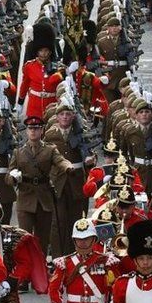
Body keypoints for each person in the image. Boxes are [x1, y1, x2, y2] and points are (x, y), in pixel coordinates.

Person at [7, 116, 77, 256]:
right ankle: (26, 269)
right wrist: (13, 177)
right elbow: (8, 177)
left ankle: (41, 267)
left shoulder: (50, 150)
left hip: (44, 199)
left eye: (37, 128)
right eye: (30, 129)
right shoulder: (18, 152)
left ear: (42, 130)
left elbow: (60, 161)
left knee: (42, 239)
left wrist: (68, 167)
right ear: (26, 131)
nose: (33, 131)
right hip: (26, 198)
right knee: (24, 237)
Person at [46, 104, 95, 257]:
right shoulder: (50, 135)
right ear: (57, 117)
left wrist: (90, 161)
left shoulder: (82, 133)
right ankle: (58, 256)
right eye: (62, 114)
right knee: (58, 221)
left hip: (77, 181)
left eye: (68, 114)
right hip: (58, 181)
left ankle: (75, 253)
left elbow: (92, 154)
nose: (65, 117)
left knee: (76, 219)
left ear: (73, 116)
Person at [120, 99, 152, 219]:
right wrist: (129, 171)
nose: (144, 114)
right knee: (136, 214)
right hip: (137, 176)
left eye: (147, 111)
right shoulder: (130, 131)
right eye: (141, 112)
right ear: (136, 115)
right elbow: (122, 154)